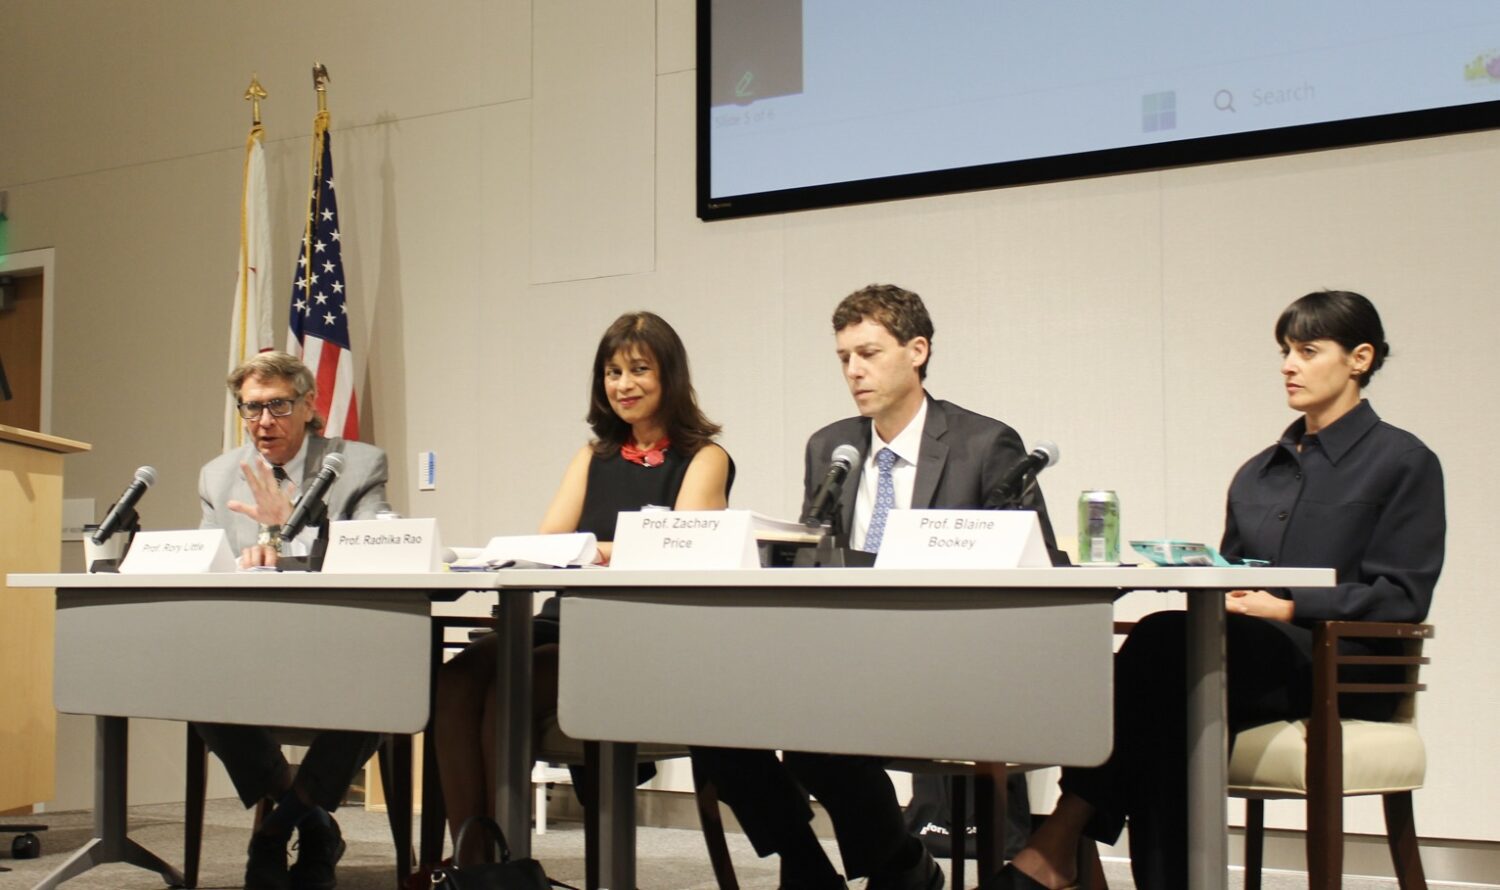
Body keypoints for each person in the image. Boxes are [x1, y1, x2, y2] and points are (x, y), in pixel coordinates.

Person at [990, 290, 1446, 890]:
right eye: (1285, 350)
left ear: (1359, 359)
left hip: (1341, 665)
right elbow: (1232, 572)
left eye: (1308, 351)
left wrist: (1290, 605)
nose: (1289, 365)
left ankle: (1058, 841)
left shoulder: (1404, 461)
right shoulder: (1259, 471)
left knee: (1162, 651)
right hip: (1245, 658)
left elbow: (1402, 596)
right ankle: (1072, 857)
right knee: (1172, 694)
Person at [694, 284, 1061, 890]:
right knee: (710, 709)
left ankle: (894, 866)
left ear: (917, 350)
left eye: (867, 353)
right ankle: (823, 867)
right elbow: (812, 559)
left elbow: (1036, 563)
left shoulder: (984, 445)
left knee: (818, 739)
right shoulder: (830, 447)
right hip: (843, 656)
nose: (853, 371)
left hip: (947, 658)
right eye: (843, 358)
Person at [431, 311, 733, 864]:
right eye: (612, 372)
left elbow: (677, 546)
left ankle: (501, 863)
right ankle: (473, 860)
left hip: (643, 634)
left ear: (670, 376)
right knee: (456, 679)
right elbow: (548, 544)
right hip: (564, 618)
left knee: (507, 692)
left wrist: (594, 548)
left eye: (639, 369)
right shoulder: (592, 455)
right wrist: (598, 549)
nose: (624, 385)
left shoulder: (706, 458)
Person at [196, 350, 391, 890]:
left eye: (278, 406)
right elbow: (207, 563)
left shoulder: (358, 464)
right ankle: (315, 821)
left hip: (339, 646)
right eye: (250, 408)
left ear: (310, 404)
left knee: (384, 679)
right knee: (193, 678)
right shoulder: (217, 477)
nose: (263, 422)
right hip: (251, 647)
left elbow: (382, 553)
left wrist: (295, 532)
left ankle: (272, 830)